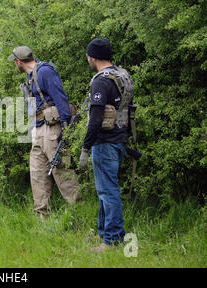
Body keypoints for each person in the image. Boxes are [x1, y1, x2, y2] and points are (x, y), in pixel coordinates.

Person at [9, 46, 82, 219]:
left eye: (14, 62)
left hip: (52, 128)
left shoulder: (45, 72)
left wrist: (65, 128)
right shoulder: (31, 76)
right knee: (37, 174)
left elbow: (60, 97)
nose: (15, 65)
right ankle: (42, 218)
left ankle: (78, 213)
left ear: (19, 62)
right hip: (39, 129)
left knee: (62, 171)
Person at [79, 38, 133, 253]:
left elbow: (95, 118)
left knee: (108, 192)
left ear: (93, 57)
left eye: (88, 56)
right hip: (119, 140)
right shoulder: (121, 75)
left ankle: (112, 241)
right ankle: (104, 235)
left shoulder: (101, 81)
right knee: (105, 191)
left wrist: (85, 148)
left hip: (105, 143)